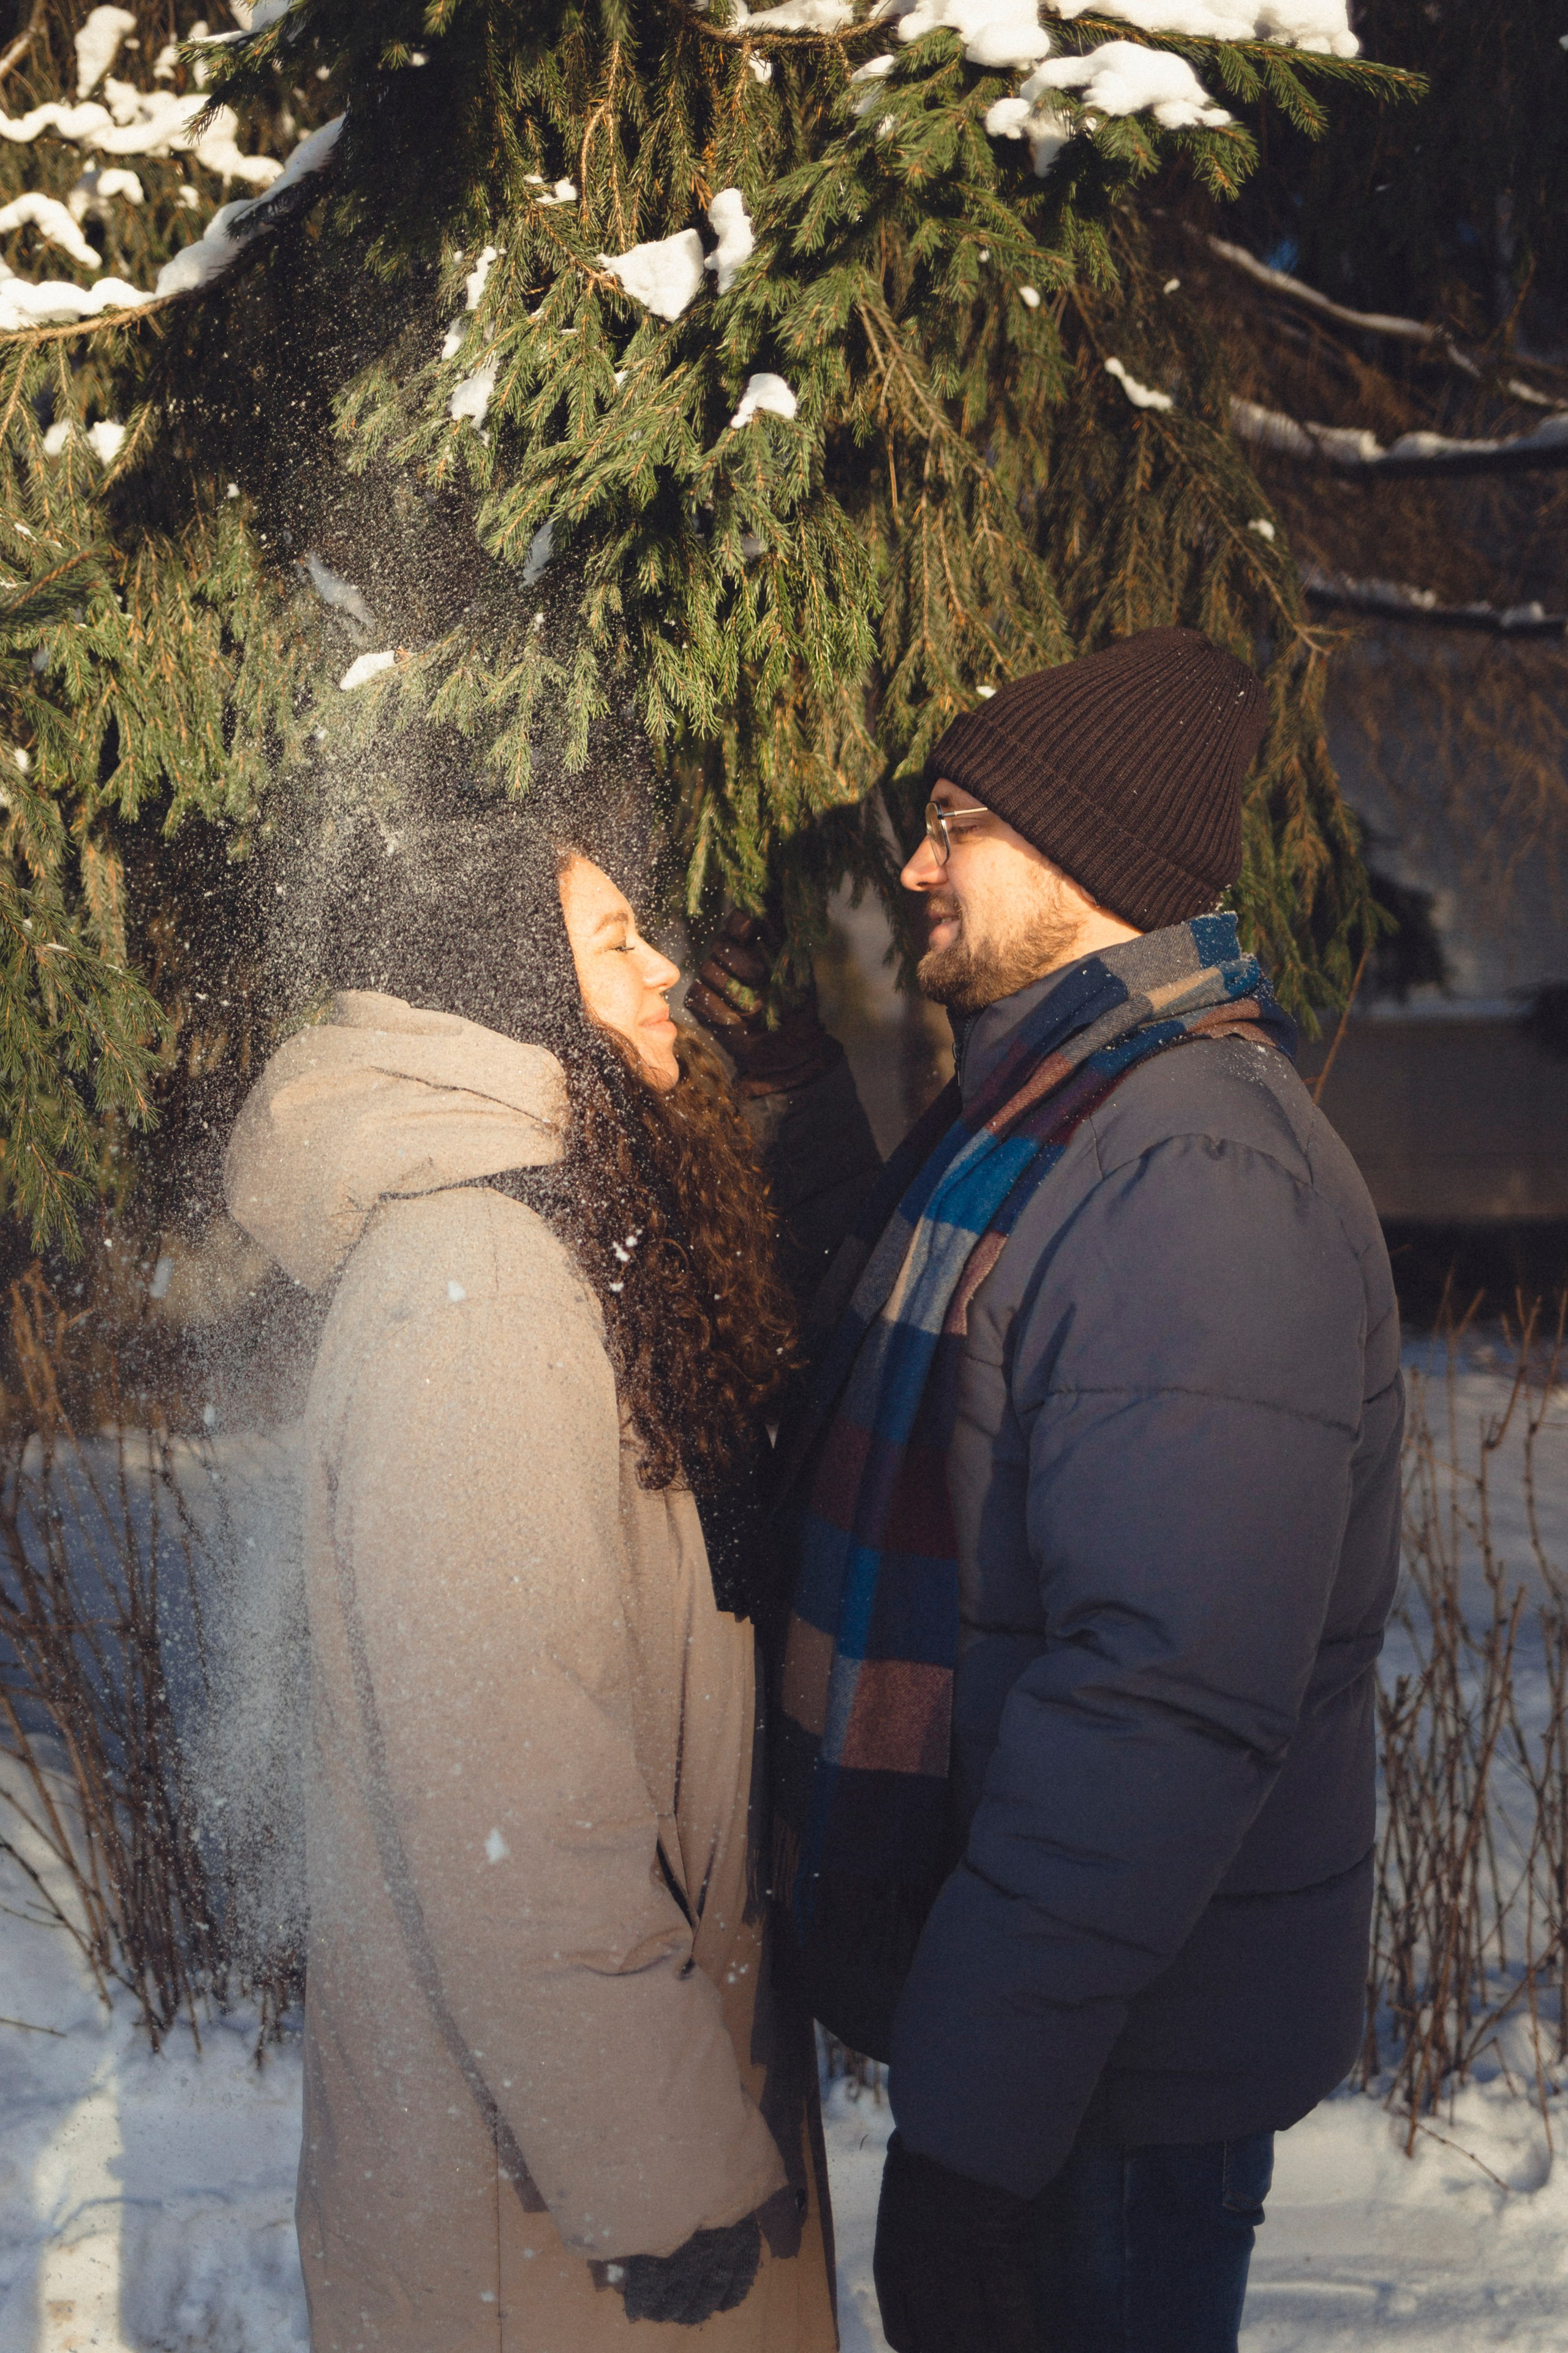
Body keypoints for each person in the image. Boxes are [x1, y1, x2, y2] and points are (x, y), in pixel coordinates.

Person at [752, 627, 1403, 2353]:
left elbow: (1159, 1699)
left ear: (1081, 857)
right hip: (1054, 2059)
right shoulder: (1035, 1122)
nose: (913, 864)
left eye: (953, 821)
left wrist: (974, 2128)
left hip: (1107, 2093)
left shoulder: (1190, 1168)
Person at [223, 784, 839, 2352]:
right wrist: (659, 2167)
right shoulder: (477, 1288)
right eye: (613, 939)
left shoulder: (540, 1235)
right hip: (546, 2226)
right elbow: (509, 1788)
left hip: (559, 2157)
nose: (663, 977)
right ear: (506, 987)